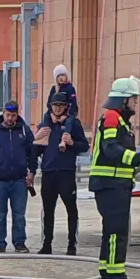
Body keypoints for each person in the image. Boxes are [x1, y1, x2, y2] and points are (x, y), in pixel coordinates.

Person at [90, 76, 140, 279]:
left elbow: (118, 153)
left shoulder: (120, 122)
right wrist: (138, 160)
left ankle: (109, 278)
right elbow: (110, 149)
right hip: (111, 185)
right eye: (133, 100)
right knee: (117, 233)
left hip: (116, 184)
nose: (136, 104)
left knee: (113, 233)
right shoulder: (111, 118)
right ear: (123, 100)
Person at [35, 90, 88, 255]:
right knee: (48, 210)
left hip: (66, 172)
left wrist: (72, 143)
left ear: (66, 107)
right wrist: (36, 138)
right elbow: (34, 150)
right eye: (55, 105)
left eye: (61, 105)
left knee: (71, 209)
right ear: (50, 106)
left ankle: (71, 244)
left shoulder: (74, 124)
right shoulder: (44, 124)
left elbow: (84, 146)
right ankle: (47, 244)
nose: (57, 109)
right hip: (48, 172)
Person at [0, 100, 37, 254]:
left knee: (19, 215)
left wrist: (32, 172)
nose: (10, 118)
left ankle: (19, 243)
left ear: (17, 115)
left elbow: (32, 154)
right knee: (0, 214)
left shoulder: (25, 131)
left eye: (13, 115)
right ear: (3, 113)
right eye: (8, 115)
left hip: (20, 181)